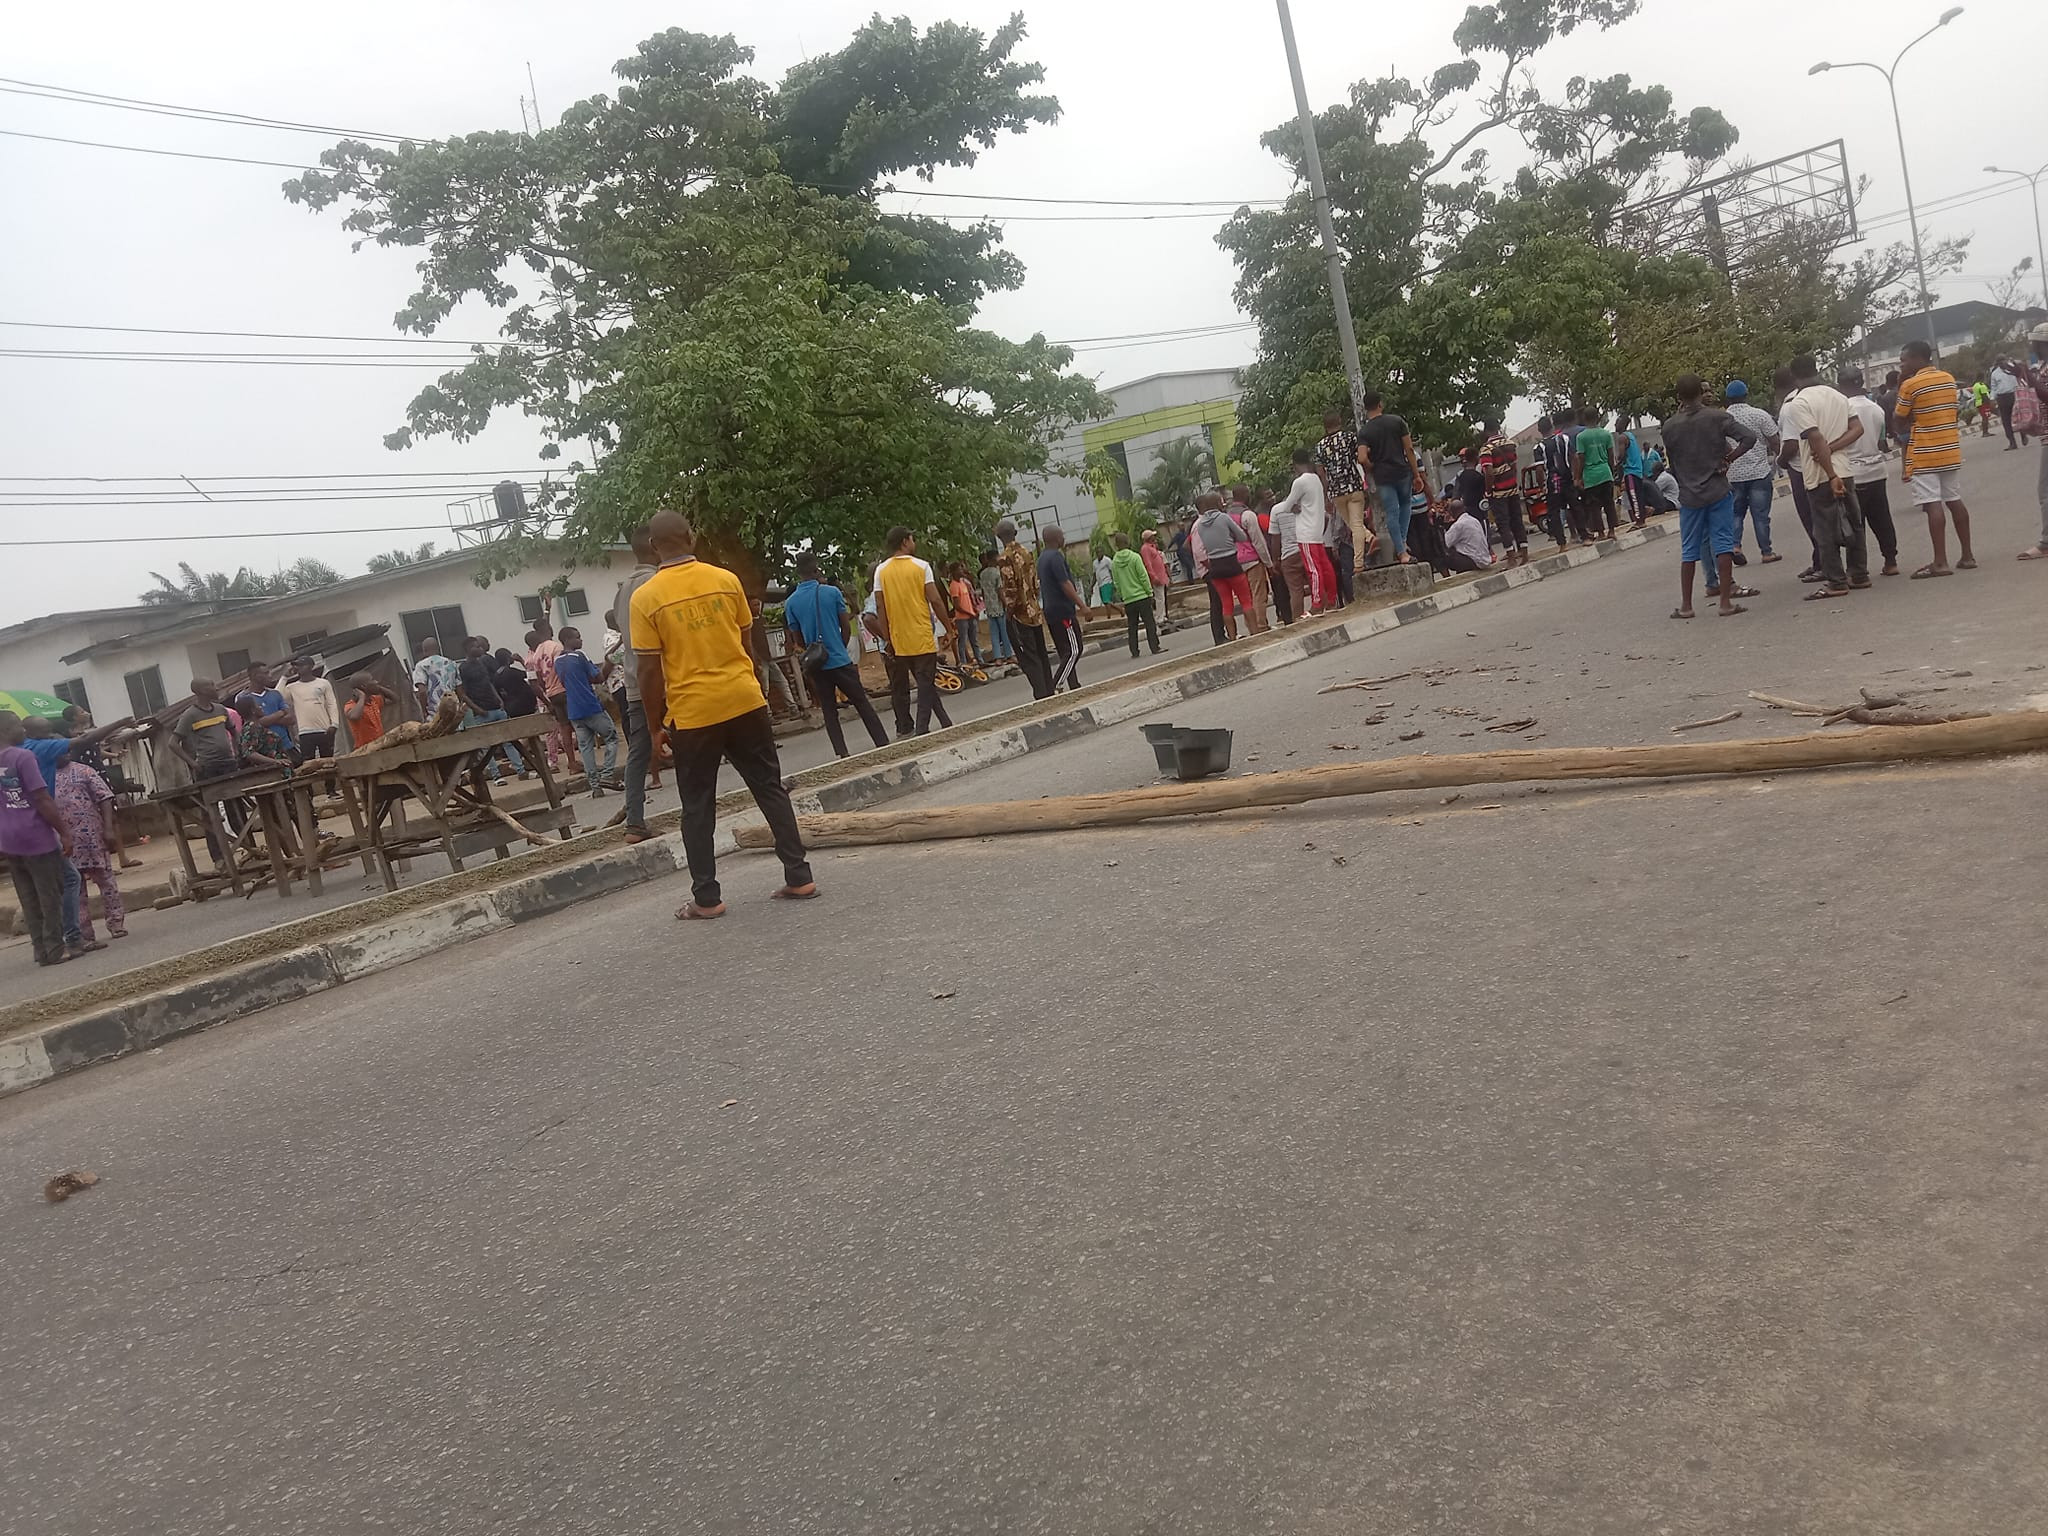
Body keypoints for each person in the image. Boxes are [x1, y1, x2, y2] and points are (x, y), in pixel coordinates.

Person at [629, 509, 814, 920]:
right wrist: (753, 688)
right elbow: (747, 644)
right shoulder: (726, 580)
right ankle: (800, 876)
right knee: (769, 788)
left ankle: (707, 899)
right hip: (745, 700)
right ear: (692, 538)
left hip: (694, 714)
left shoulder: (646, 598)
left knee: (697, 807)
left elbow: (648, 670)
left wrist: (655, 724)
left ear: (655, 548)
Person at [1660, 373, 1760, 619]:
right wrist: (1728, 458)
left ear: (1679, 397)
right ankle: (1725, 602)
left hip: (1689, 495)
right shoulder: (1718, 417)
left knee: (1689, 550)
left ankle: (1686, 606)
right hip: (1717, 490)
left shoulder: (1669, 427)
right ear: (1701, 392)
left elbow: (1673, 464)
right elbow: (1749, 437)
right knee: (1723, 545)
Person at [1777, 354, 1867, 600]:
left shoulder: (1798, 403)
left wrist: (1829, 470)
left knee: (1825, 529)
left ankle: (1836, 582)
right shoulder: (1838, 395)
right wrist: (1835, 448)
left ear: (1795, 376)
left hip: (1821, 474)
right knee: (1854, 522)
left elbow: (1814, 438)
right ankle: (1859, 573)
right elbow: (1857, 428)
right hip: (1844, 469)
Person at [785, 551, 889, 760]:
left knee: (829, 710)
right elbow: (845, 626)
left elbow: (798, 639)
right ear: (816, 570)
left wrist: (815, 652)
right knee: (861, 702)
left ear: (798, 573)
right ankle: (882, 743)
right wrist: (838, 648)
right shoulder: (831, 593)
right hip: (839, 660)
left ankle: (841, 752)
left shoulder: (791, 602)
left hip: (816, 665)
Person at [1894, 338, 1975, 577]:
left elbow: (1899, 419)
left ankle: (1940, 562)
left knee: (1933, 504)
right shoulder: (1948, 379)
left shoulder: (1911, 384)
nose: (1902, 365)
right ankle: (1967, 555)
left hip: (1925, 452)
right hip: (1949, 448)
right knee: (1954, 499)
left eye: (1904, 360)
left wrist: (1903, 391)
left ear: (1917, 359)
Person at [1, 710, 75, 966]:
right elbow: (42, 798)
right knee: (50, 893)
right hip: (35, 835)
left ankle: (40, 949)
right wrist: (64, 832)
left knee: (28, 896)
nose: (23, 730)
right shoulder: (23, 756)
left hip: (9, 839)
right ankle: (55, 948)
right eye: (17, 726)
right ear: (7, 730)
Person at [876, 527, 958, 733]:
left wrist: (887, 638)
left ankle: (945, 721)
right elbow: (936, 601)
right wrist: (949, 628)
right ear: (905, 542)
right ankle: (922, 729)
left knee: (926, 681)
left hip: (898, 639)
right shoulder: (921, 566)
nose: (915, 542)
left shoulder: (881, 570)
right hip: (921, 635)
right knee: (925, 684)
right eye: (913, 539)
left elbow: (880, 607)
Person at [607, 523, 661, 836]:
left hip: (634, 681)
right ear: (656, 547)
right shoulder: (658, 582)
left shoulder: (622, 590)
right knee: (717, 729)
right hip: (665, 678)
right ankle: (767, 786)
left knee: (639, 752)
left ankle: (635, 822)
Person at [1836, 367, 1902, 577]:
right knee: (1882, 517)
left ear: (1841, 385)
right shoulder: (1876, 408)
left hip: (1853, 470)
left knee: (1855, 523)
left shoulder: (1841, 408)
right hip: (1877, 468)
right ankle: (1890, 560)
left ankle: (1858, 568)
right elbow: (1882, 442)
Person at [54, 756, 125, 944]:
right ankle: (85, 932)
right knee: (75, 888)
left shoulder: (84, 770)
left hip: (93, 837)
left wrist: (108, 828)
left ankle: (116, 922)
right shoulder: (45, 776)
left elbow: (105, 797)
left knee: (106, 881)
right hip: (65, 843)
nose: (64, 754)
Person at [1358, 391, 1427, 565]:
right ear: (1380, 404)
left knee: (1391, 511)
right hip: (1402, 472)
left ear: (1366, 408)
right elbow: (1409, 450)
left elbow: (1362, 458)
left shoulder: (1365, 431)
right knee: (1405, 505)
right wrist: (1416, 475)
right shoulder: (1397, 422)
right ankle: (1402, 542)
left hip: (1382, 476)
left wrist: (1372, 467)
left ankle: (1402, 551)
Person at [1190, 491, 1264, 642]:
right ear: (1217, 503)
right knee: (1245, 599)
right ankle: (1255, 632)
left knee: (1226, 604)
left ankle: (1232, 636)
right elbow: (1242, 536)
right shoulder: (1223, 518)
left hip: (1215, 567)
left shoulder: (1201, 525)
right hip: (1230, 563)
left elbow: (1201, 547)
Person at [1722, 380, 1781, 566]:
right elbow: (1774, 440)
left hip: (1734, 475)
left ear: (1728, 398)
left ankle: (1735, 546)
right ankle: (1766, 552)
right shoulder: (1759, 415)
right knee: (1761, 514)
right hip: (1759, 472)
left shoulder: (1722, 419)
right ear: (1746, 395)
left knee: (1736, 513)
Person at [553, 626, 618, 796]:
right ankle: (607, 774)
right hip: (590, 705)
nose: (580, 640)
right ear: (567, 640)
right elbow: (597, 678)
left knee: (585, 748)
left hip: (573, 710)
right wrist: (608, 662)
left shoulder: (558, 661)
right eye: (577, 637)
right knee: (611, 737)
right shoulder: (579, 656)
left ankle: (595, 787)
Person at [456, 635, 528, 782]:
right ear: (468, 650)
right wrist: (476, 708)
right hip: (482, 711)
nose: (479, 648)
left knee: (509, 740)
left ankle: (521, 771)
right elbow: (462, 693)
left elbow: (488, 683)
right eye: (476, 646)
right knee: (487, 746)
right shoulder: (463, 668)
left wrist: (499, 699)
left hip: (496, 707)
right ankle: (496, 776)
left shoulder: (481, 663)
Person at [996, 519, 1054, 699]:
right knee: (1041, 651)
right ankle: (1049, 688)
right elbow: (1036, 583)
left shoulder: (1004, 558)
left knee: (1029, 655)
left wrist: (1010, 611)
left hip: (1021, 615)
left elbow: (1011, 588)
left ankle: (1040, 692)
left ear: (999, 537)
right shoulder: (1027, 552)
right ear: (1015, 533)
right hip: (1035, 610)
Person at [1276, 449, 1335, 613]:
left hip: (1305, 531)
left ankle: (1317, 604)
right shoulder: (1316, 479)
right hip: (1317, 529)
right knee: (1325, 566)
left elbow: (1287, 506)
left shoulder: (1299, 482)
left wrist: (1295, 507)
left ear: (1294, 464)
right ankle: (1331, 599)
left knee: (1313, 569)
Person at [1314, 408, 1373, 573]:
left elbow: (1321, 472)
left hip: (1336, 492)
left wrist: (1327, 495)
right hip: (1353, 486)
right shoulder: (1350, 438)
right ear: (1339, 422)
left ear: (1325, 427)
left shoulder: (1320, 447)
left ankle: (1369, 539)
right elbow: (1361, 457)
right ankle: (1359, 562)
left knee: (1353, 526)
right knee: (1356, 525)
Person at [1036, 525, 1090, 691]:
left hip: (1051, 611)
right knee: (1074, 650)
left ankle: (1074, 683)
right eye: (1062, 535)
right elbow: (1065, 583)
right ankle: (1056, 684)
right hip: (1062, 611)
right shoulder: (1056, 557)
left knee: (1064, 651)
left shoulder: (1042, 558)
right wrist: (1082, 606)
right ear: (1056, 538)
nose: (1064, 538)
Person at [1477, 421, 1529, 564]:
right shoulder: (1510, 444)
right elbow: (1515, 467)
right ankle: (1524, 555)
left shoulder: (1486, 449)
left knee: (1503, 524)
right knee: (1517, 521)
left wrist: (1488, 491)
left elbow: (1488, 472)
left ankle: (1511, 558)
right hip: (1512, 489)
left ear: (1486, 432)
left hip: (1498, 492)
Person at [1109, 531, 1165, 657]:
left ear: (1116, 545)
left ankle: (1134, 651)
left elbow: (1116, 582)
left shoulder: (1115, 562)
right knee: (1149, 623)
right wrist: (1149, 592)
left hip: (1128, 599)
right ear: (1127, 542)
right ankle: (1154, 647)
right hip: (1142, 596)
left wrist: (1124, 594)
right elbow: (1143, 576)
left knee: (1132, 626)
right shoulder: (1135, 557)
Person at [1227, 485, 1273, 633]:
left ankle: (1251, 627)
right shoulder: (1248, 515)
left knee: (1246, 598)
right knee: (1259, 594)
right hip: (1252, 561)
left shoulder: (1227, 516)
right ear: (1246, 496)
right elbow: (1258, 542)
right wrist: (1268, 563)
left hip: (1235, 562)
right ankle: (1261, 625)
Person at [525, 620, 570, 769]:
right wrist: (546, 700)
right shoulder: (533, 658)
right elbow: (535, 684)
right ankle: (553, 761)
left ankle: (568, 758)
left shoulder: (537, 654)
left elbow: (537, 681)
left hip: (549, 693)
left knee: (564, 727)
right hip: (551, 695)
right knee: (555, 730)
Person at [1572, 407, 1620, 540]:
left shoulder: (1581, 437)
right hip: (1605, 472)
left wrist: (1578, 477)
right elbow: (1611, 455)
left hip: (1591, 475)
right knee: (1609, 503)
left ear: (1584, 419)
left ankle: (1601, 533)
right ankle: (1612, 531)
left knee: (1594, 506)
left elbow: (1581, 458)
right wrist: (1611, 470)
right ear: (1598, 418)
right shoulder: (1606, 434)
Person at [240, 661, 297, 760]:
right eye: (266, 673)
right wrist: (281, 713)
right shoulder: (243, 698)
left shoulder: (275, 694)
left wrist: (267, 719)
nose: (270, 676)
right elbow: (254, 724)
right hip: (266, 753)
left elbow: (291, 719)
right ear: (255, 676)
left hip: (286, 746)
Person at [975, 550, 1013, 664]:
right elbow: (1000, 591)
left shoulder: (982, 574)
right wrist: (1006, 604)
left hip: (990, 608)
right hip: (999, 607)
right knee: (1004, 632)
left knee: (994, 634)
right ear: (993, 559)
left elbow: (983, 591)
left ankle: (998, 657)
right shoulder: (997, 573)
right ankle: (1009, 655)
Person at [946, 561, 986, 666]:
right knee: (963, 641)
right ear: (954, 572)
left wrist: (973, 610)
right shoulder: (954, 586)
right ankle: (963, 663)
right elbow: (957, 606)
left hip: (970, 615)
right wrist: (969, 612)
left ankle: (980, 661)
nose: (962, 571)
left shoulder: (963, 583)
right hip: (962, 618)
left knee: (974, 641)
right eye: (959, 569)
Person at [343, 674, 398, 747]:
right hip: (365, 748)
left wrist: (379, 688)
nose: (376, 681)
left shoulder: (374, 700)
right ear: (363, 686)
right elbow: (354, 716)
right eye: (372, 680)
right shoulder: (351, 705)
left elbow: (394, 699)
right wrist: (362, 697)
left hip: (380, 744)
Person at [411, 638, 461, 717]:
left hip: (434, 713)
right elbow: (459, 689)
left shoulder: (421, 666)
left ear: (424, 650)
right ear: (439, 648)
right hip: (453, 710)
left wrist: (423, 711)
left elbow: (422, 691)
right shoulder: (451, 663)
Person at [1440, 501, 1495, 573]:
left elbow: (1445, 543)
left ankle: (1447, 576)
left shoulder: (1458, 525)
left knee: (1442, 554)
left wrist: (1445, 525)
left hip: (1473, 560)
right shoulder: (1474, 520)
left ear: (1452, 512)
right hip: (1484, 559)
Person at [491, 650, 539, 718]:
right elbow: (531, 675)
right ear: (508, 658)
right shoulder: (511, 672)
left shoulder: (496, 675)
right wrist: (521, 660)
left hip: (511, 707)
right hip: (524, 705)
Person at [1139, 529, 1173, 618]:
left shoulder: (1152, 547)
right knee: (1159, 598)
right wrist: (1154, 577)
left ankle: (1163, 616)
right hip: (1157, 577)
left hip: (1161, 576)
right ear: (1149, 538)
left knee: (1162, 598)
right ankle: (1160, 618)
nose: (1154, 537)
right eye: (1152, 536)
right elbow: (1148, 564)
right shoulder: (1145, 548)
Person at [1991, 358, 2021, 449]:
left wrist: (2014, 363)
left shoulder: (2012, 369)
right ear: (1998, 363)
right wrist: (1992, 399)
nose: (2003, 363)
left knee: (2020, 417)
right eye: (2001, 361)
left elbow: (2021, 374)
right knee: (2006, 421)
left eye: (2005, 361)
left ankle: (2023, 434)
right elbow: (1993, 387)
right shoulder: (1995, 373)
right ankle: (2012, 442)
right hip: (2002, 398)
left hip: (2014, 395)